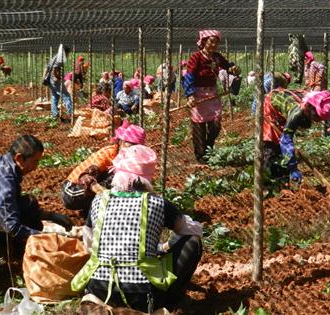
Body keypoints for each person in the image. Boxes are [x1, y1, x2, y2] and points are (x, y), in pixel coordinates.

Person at [71, 145, 203, 312]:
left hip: (101, 289)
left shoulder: (98, 201)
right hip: (142, 295)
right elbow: (193, 230)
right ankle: (171, 301)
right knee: (193, 242)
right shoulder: (158, 203)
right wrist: (166, 246)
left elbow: (89, 244)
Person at [0, 135, 73, 255]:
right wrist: (47, 238)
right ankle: (17, 253)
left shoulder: (2, 163)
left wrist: (52, 216)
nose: (36, 167)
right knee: (22, 225)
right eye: (35, 161)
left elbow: (14, 205)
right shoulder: (5, 182)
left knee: (28, 204)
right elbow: (12, 227)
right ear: (19, 158)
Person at [62, 120, 146, 216]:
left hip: (87, 191)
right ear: (121, 142)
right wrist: (102, 192)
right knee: (116, 176)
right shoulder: (108, 154)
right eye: (129, 145)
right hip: (72, 190)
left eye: (136, 147)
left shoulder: (130, 159)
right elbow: (85, 177)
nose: (132, 151)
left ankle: (90, 209)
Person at [183, 29, 241, 163]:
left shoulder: (216, 57)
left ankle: (209, 147)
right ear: (204, 42)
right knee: (199, 126)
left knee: (216, 124)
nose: (214, 45)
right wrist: (190, 95)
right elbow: (189, 75)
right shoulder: (196, 57)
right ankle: (201, 156)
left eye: (216, 43)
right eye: (211, 42)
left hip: (213, 94)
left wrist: (233, 69)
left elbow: (227, 66)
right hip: (198, 94)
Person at [263, 90, 330, 183]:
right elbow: (286, 140)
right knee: (273, 141)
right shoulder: (297, 113)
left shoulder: (313, 101)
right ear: (310, 109)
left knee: (284, 138)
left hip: (284, 102)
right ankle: (269, 178)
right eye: (316, 117)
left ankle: (283, 173)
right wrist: (293, 167)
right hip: (270, 106)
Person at [44, 45, 73, 120]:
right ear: (65, 52)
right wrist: (58, 78)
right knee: (66, 96)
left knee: (55, 97)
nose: (68, 55)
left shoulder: (55, 57)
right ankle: (70, 114)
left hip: (51, 80)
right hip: (55, 81)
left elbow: (48, 67)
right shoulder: (59, 58)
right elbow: (55, 69)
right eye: (68, 53)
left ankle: (54, 115)